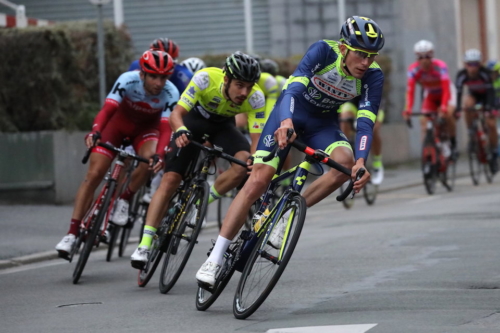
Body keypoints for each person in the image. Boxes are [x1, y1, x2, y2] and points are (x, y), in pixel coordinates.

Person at [196, 15, 385, 286]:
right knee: (258, 180)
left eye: (372, 55)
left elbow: (365, 120)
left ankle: (286, 218)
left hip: (323, 125)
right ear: (344, 48)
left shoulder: (374, 75)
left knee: (344, 164)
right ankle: (215, 258)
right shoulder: (323, 51)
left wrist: (361, 161)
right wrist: (285, 121)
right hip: (291, 114)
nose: (366, 62)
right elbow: (292, 91)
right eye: (361, 54)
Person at [130, 51, 266, 268]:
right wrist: (181, 131)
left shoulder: (257, 97)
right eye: (239, 85)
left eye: (249, 87)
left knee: (243, 163)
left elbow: (256, 140)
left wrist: (256, 160)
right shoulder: (205, 78)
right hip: (194, 121)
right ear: (226, 79)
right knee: (170, 180)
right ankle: (144, 245)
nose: (244, 92)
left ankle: (200, 203)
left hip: (223, 127)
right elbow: (176, 114)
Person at [55, 50, 179, 258]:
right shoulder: (127, 80)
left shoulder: (170, 92)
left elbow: (166, 128)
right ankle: (72, 233)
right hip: (117, 125)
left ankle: (124, 198)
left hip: (146, 130)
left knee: (149, 160)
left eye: (163, 77)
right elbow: (107, 110)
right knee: (94, 174)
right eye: (153, 76)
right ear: (142, 74)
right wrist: (96, 130)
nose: (159, 83)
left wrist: (160, 154)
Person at [402, 40, 457, 156]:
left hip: (446, 93)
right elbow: (410, 91)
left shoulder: (441, 66)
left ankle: (452, 142)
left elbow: (446, 89)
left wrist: (443, 107)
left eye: (427, 56)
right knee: (424, 121)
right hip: (431, 94)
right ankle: (428, 153)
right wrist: (407, 110)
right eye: (420, 57)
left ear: (432, 56)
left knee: (447, 115)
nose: (424, 60)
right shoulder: (413, 70)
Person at [455, 49, 498, 173]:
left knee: (490, 124)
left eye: (475, 64)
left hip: (487, 98)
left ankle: (494, 150)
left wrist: (489, 108)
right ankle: (471, 131)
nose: (472, 68)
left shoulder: (486, 73)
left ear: (479, 64)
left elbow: (491, 92)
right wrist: (457, 108)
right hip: (474, 95)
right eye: (469, 64)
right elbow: (458, 92)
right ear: (465, 65)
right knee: (467, 104)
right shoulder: (461, 75)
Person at [339, 100, 385, 184]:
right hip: (353, 103)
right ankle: (347, 160)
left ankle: (377, 164)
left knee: (372, 130)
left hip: (371, 102)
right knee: (344, 120)